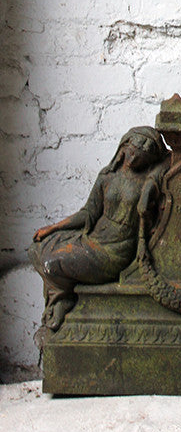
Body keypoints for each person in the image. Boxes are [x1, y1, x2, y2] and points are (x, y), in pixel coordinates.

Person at [30, 126, 170, 340]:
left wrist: (153, 178)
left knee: (53, 263)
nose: (134, 157)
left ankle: (60, 302)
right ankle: (61, 297)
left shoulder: (149, 181)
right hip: (92, 238)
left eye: (143, 155)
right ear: (123, 147)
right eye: (132, 150)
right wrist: (53, 227)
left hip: (114, 250)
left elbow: (171, 158)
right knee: (36, 249)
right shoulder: (107, 175)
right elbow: (88, 213)